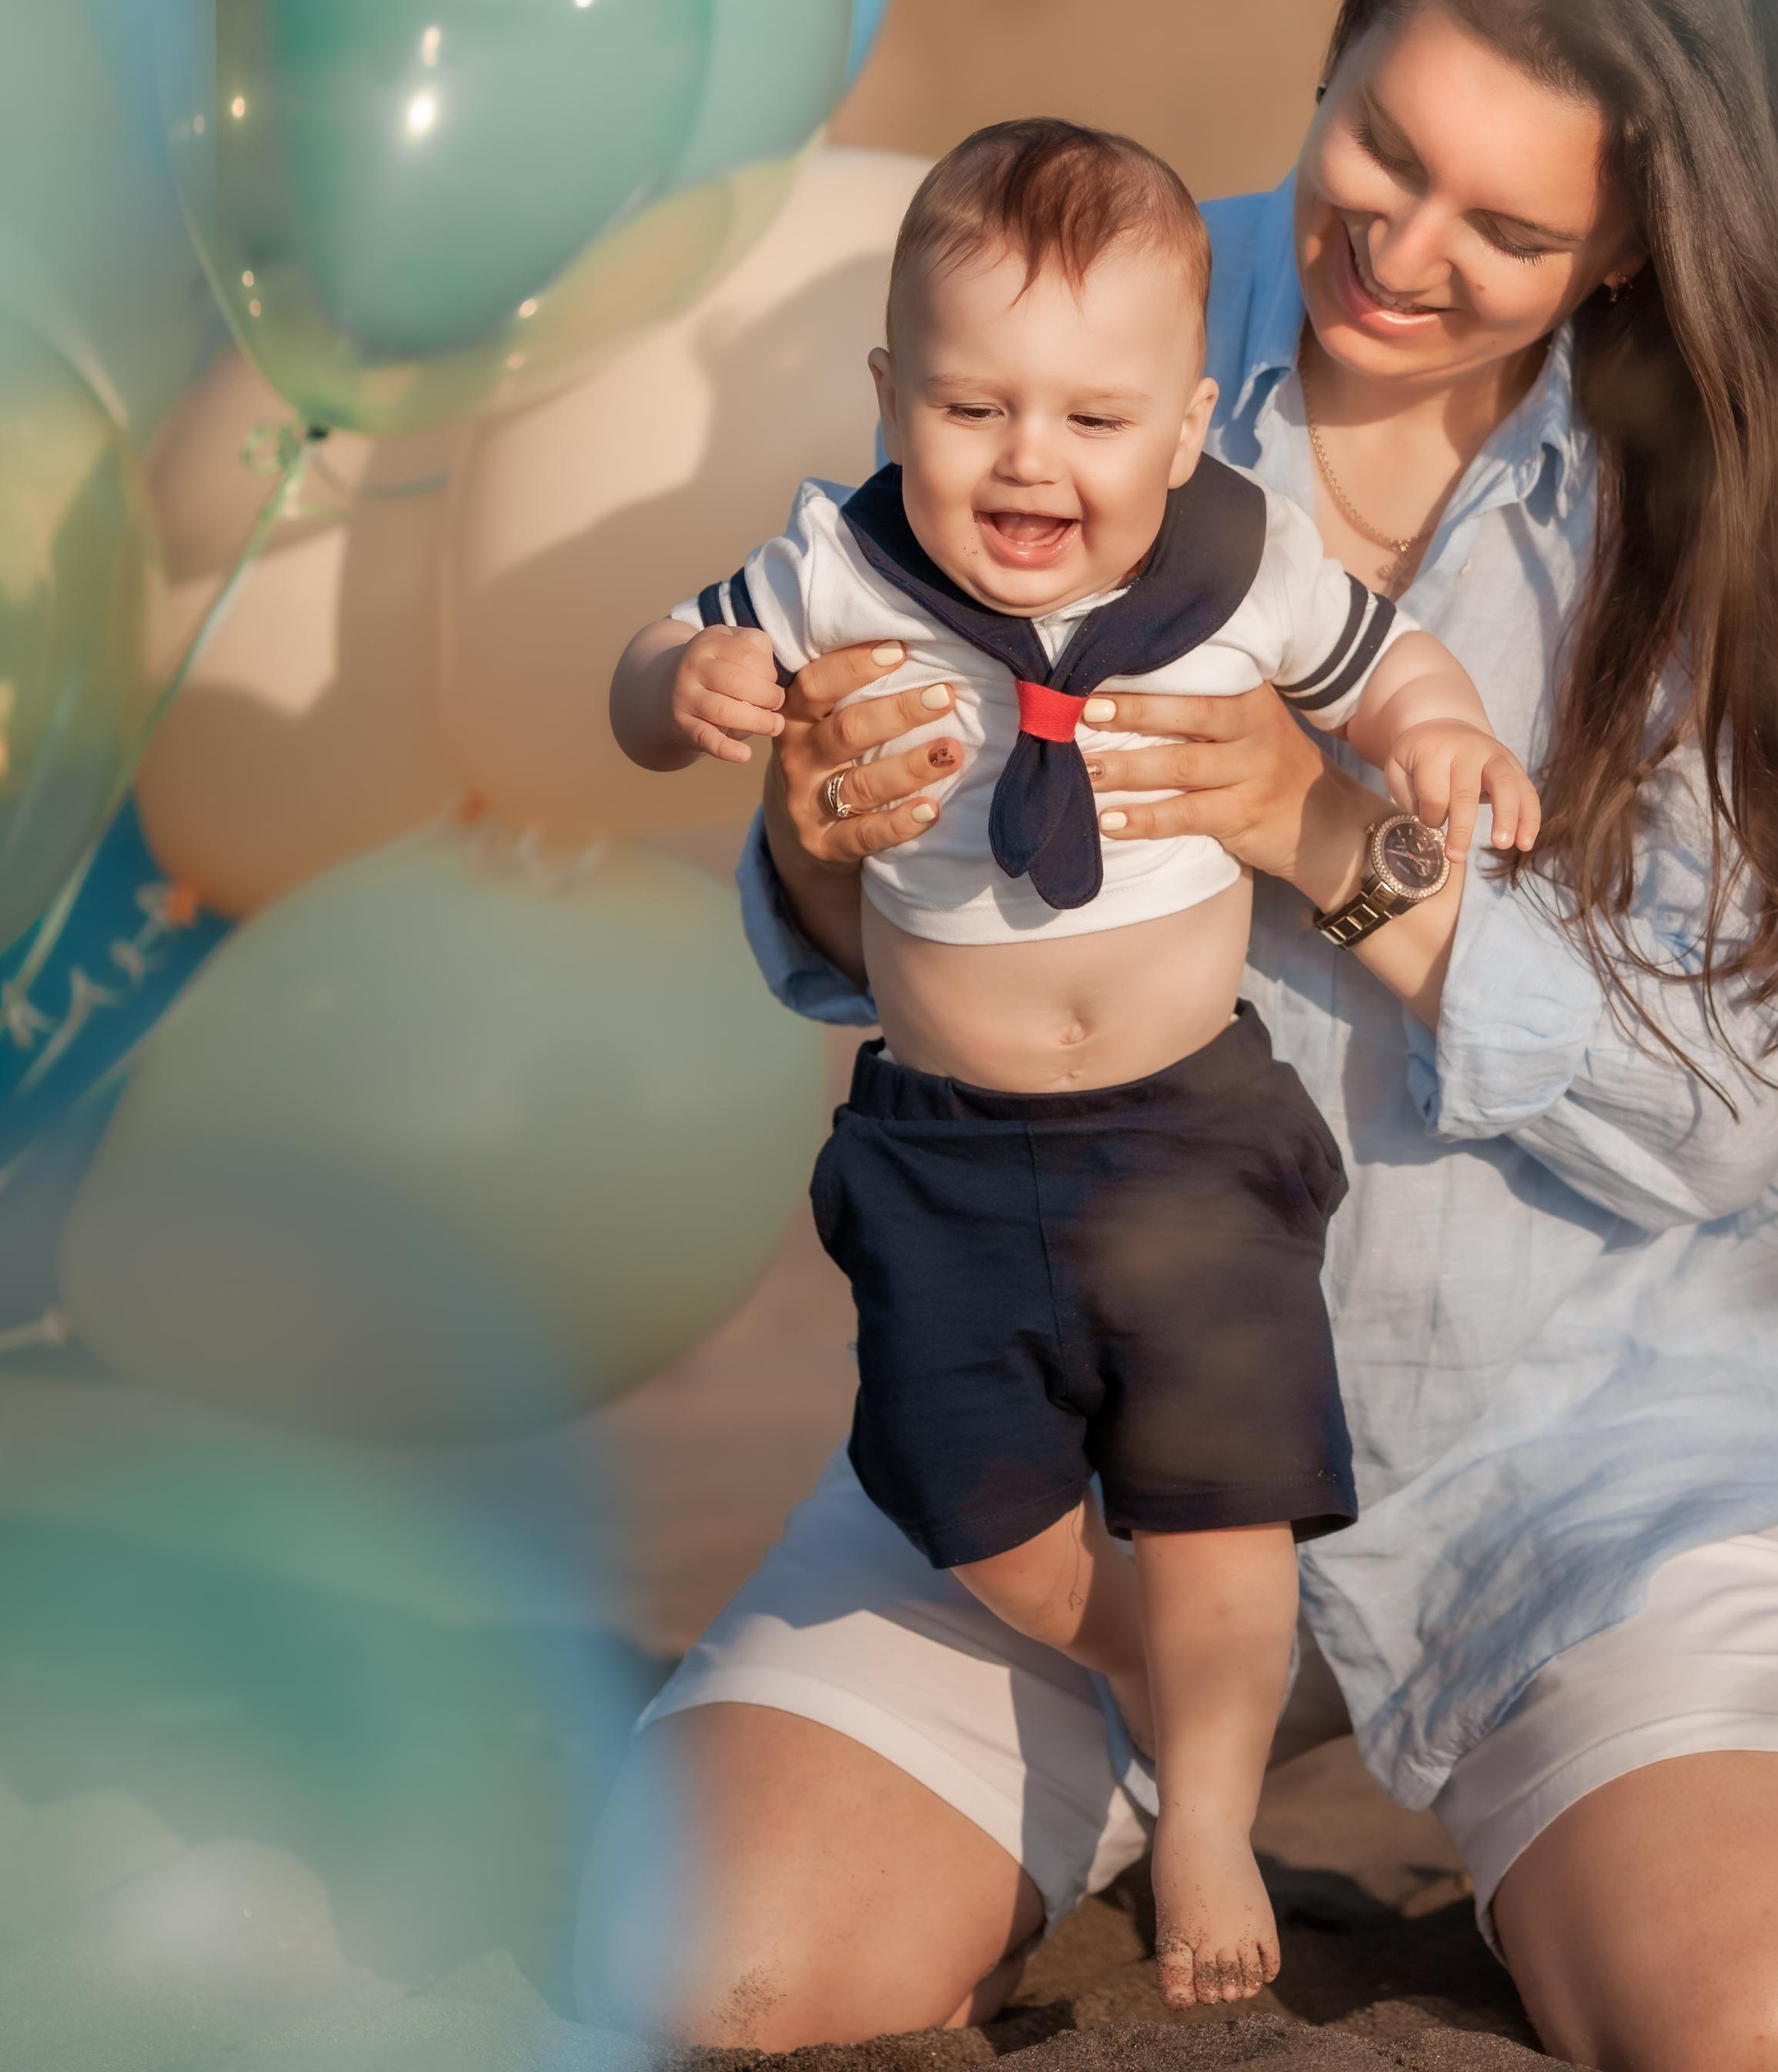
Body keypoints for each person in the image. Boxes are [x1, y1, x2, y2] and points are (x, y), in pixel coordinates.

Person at [579, 0, 1778, 2072]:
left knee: (1759, 2022)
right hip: (1086, 1420)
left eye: (1512, 230)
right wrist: (825, 832)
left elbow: (1745, 1133)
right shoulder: (1063, 318)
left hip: (1564, 1463)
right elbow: (863, 937)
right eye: (1383, 145)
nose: (1404, 250)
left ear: (1634, 242)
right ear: (1338, 42)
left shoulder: (1731, 531)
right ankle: (1147, 1762)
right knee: (723, 1968)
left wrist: (1321, 835)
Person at [608, 117, 1539, 2007]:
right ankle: (1137, 1664)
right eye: (972, 407)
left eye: (1093, 421)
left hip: (1187, 1137)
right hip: (948, 1157)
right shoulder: (839, 569)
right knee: (985, 1526)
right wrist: (678, 687)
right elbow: (652, 667)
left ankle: (1200, 1806)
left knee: (1218, 1495)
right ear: (891, 398)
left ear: (1189, 423)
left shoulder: (1235, 568)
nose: (1030, 459)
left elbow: (1386, 665)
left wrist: (1439, 748)